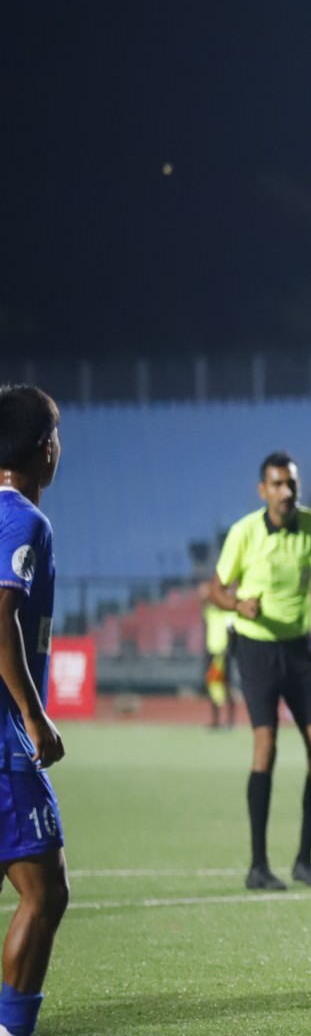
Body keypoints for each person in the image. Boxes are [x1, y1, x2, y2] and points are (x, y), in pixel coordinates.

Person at [206, 451, 311, 891]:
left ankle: (304, 860)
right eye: (277, 485)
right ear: (262, 491)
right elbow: (215, 589)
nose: (286, 492)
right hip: (257, 647)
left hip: (301, 649)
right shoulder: (244, 533)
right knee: (266, 745)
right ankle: (258, 866)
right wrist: (238, 604)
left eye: (291, 484)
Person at [0, 385, 70, 1036]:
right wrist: (33, 714)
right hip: (2, 745)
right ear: (45, 448)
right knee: (45, 893)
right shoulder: (23, 519)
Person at [200, 585, 237, 730]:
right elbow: (203, 600)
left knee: (227, 686)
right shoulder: (212, 612)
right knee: (212, 686)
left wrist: (227, 649)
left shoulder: (229, 615)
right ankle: (215, 720)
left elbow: (231, 633)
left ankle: (230, 721)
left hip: (223, 653)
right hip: (211, 652)